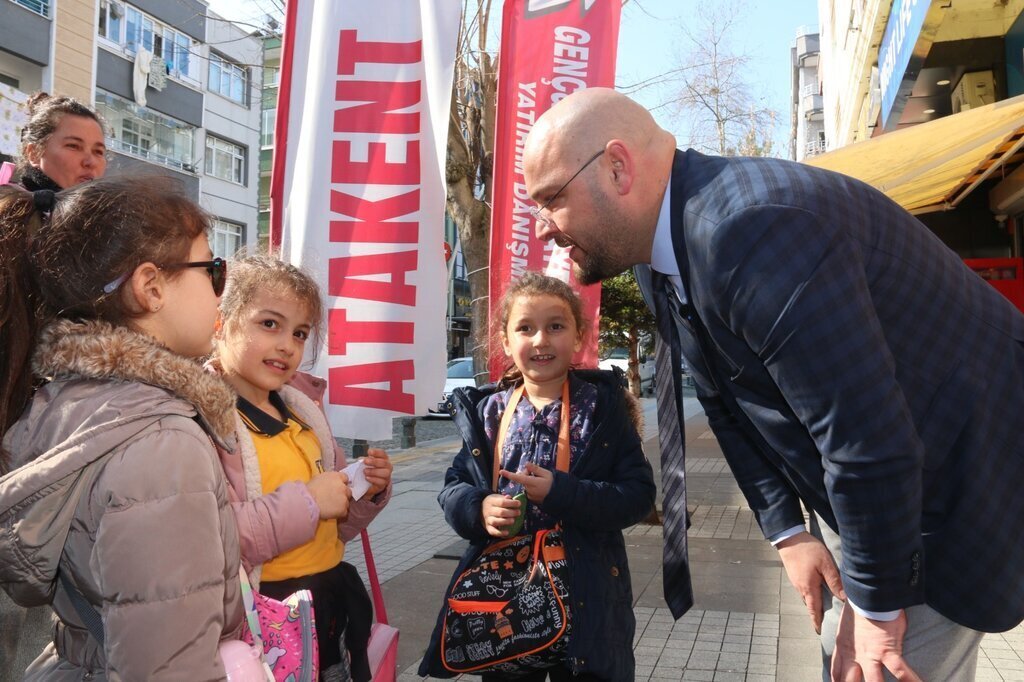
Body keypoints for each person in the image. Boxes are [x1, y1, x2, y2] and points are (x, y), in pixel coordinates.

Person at [522, 87, 1024, 681]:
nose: (543, 228)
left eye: (552, 198)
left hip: (954, 489)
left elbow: (866, 440)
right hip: (886, 492)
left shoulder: (747, 231)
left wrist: (877, 605)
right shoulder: (658, 251)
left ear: (617, 167)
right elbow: (725, 400)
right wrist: (787, 530)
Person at [0, 177, 245, 678]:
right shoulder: (162, 444)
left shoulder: (62, 399)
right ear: (151, 286)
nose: (223, 290)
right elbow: (169, 668)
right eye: (213, 269)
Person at [419, 272, 656, 681]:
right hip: (506, 598)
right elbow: (454, 487)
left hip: (588, 600)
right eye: (525, 328)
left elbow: (637, 495)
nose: (541, 340)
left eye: (556, 326)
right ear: (506, 341)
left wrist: (560, 493)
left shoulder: (601, 410)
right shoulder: (488, 413)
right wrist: (479, 510)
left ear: (579, 335)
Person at [211, 255, 394, 681]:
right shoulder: (206, 419)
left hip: (330, 607)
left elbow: (336, 528)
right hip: (262, 618)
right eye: (269, 324)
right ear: (221, 322)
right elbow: (213, 541)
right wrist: (311, 502)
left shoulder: (304, 413)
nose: (286, 345)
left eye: (299, 333)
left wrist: (364, 492)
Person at [13, 92, 107, 191]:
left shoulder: (112, 205)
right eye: (73, 146)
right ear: (34, 153)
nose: (90, 162)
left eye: (98, 151)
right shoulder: (8, 204)